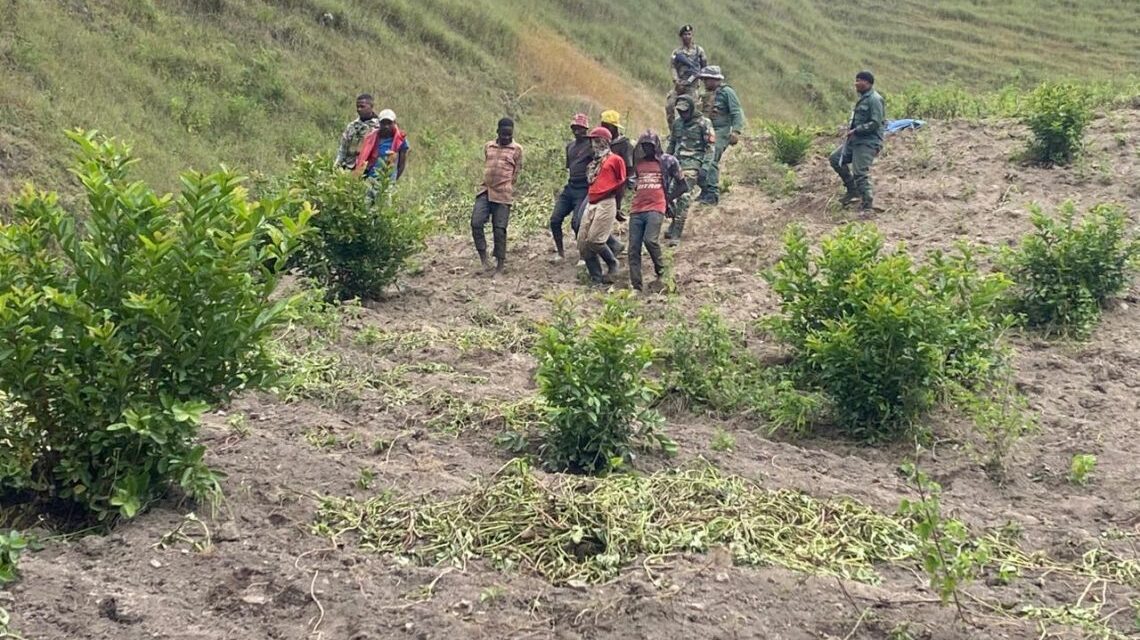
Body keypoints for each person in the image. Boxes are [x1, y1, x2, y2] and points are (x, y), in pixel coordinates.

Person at [628, 130, 687, 291]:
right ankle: (636, 286)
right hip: (637, 208)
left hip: (656, 206)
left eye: (650, 145)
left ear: (656, 146)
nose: (647, 148)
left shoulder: (668, 161)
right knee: (633, 248)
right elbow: (633, 183)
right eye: (644, 145)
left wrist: (667, 199)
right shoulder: (638, 164)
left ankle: (662, 272)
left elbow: (683, 185)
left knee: (650, 240)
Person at [472, 118, 524, 274]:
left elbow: (516, 173)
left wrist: (505, 185)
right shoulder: (489, 146)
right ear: (497, 132)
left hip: (503, 194)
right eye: (503, 134)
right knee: (476, 223)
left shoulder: (517, 150)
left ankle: (500, 266)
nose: (506, 137)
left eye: (509, 134)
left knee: (499, 230)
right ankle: (484, 258)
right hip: (485, 191)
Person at [830, 70, 885, 214]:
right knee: (836, 159)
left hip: (867, 142)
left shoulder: (874, 99)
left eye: (859, 80)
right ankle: (852, 190)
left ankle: (867, 205)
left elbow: (875, 123)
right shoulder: (863, 99)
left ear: (867, 83)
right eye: (856, 80)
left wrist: (857, 130)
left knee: (860, 172)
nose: (856, 83)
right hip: (855, 140)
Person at [579, 126, 627, 286]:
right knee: (583, 242)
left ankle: (612, 263)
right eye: (592, 141)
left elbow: (621, 183)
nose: (593, 144)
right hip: (592, 201)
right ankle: (596, 278)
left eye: (597, 140)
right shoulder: (594, 163)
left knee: (595, 240)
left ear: (605, 141)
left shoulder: (615, 160)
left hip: (607, 200)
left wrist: (618, 207)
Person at [665, 95, 715, 245]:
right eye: (680, 111)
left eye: (685, 111)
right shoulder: (677, 123)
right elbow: (672, 144)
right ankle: (674, 222)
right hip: (676, 164)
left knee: (684, 198)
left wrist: (705, 167)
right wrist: (665, 162)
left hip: (693, 165)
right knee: (668, 195)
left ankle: (676, 233)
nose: (682, 114)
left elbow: (710, 148)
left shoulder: (704, 123)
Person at [696, 66, 744, 205]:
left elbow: (736, 111)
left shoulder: (727, 92)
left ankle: (712, 194)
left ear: (715, 79)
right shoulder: (704, 95)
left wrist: (736, 131)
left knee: (711, 159)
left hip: (720, 131)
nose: (705, 82)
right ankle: (705, 189)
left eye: (707, 79)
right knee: (697, 159)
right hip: (705, 130)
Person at [548, 113, 593, 262]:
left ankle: (584, 255)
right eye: (574, 128)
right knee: (555, 219)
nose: (577, 131)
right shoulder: (570, 147)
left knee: (577, 223)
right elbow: (570, 167)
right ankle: (561, 253)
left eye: (580, 128)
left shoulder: (591, 145)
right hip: (571, 187)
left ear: (586, 129)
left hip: (584, 188)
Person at [665, 25, 708, 127]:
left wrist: (698, 76)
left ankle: (692, 130)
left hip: (692, 86)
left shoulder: (699, 51)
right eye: (685, 34)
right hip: (680, 84)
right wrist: (676, 81)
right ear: (681, 37)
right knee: (670, 105)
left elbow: (704, 68)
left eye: (689, 34)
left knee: (693, 109)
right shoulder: (677, 52)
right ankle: (673, 131)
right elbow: (673, 67)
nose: (687, 36)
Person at [353, 109, 409, 182]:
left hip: (388, 180)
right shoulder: (371, 137)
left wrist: (394, 180)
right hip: (371, 178)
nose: (386, 126)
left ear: (394, 123)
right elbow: (363, 157)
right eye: (383, 123)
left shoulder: (400, 140)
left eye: (389, 123)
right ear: (379, 123)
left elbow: (401, 164)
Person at [334, 94, 380, 171]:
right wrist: (336, 166)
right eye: (357, 107)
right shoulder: (352, 126)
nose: (359, 109)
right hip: (348, 167)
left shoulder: (378, 127)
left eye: (362, 106)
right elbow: (343, 149)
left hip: (367, 169)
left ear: (371, 106)